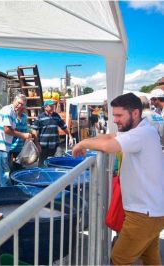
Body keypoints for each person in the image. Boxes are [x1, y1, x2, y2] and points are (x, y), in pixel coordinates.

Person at [72, 93, 164, 265]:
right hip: (152, 211)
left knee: (119, 258)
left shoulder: (142, 134)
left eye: (119, 115)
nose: (115, 120)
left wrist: (82, 144)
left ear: (135, 113)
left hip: (144, 214)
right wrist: (85, 140)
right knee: (150, 257)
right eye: (114, 115)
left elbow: (108, 146)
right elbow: (109, 137)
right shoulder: (142, 130)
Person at [0, 94, 31, 187]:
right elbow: (7, 130)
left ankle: (1, 195)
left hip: (4, 147)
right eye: (18, 103)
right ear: (14, 101)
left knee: (3, 174)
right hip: (0, 146)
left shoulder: (13, 112)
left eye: (22, 104)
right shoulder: (8, 110)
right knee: (5, 175)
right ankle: (7, 195)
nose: (19, 106)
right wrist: (23, 135)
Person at [32, 99, 73, 166]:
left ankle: (58, 175)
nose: (53, 107)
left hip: (56, 145)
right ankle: (41, 175)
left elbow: (64, 127)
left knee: (59, 162)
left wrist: (70, 137)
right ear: (45, 107)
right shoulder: (40, 117)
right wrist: (37, 144)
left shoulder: (56, 116)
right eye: (51, 106)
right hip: (43, 146)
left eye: (53, 106)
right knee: (42, 164)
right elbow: (34, 131)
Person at [9, 105, 28, 172]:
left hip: (20, 146)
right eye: (22, 108)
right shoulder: (13, 117)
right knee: (9, 167)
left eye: (24, 108)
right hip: (10, 146)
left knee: (18, 166)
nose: (23, 110)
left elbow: (26, 129)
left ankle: (17, 181)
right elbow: (10, 130)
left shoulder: (25, 117)